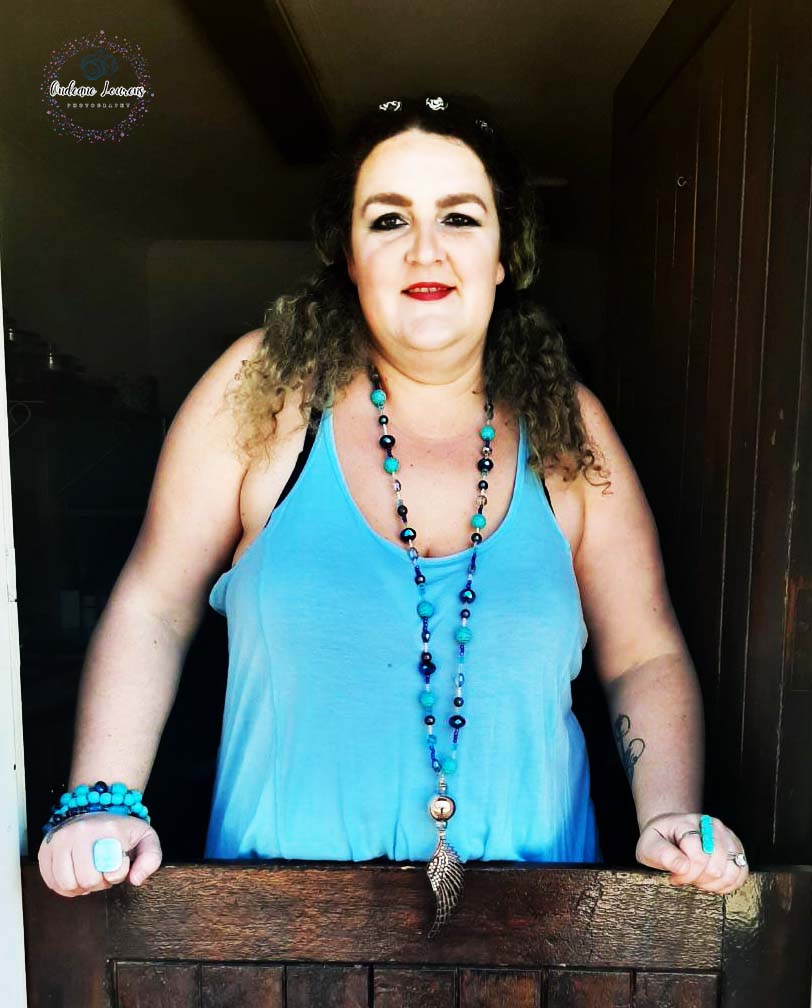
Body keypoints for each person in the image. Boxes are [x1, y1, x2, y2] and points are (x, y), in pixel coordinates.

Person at [37, 94, 749, 933]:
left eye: (460, 217)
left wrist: (669, 814)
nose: (425, 249)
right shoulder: (263, 394)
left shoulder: (569, 428)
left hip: (540, 935)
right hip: (278, 934)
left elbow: (643, 652)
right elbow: (154, 604)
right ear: (349, 253)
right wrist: (101, 801)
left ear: (504, 256)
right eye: (387, 219)